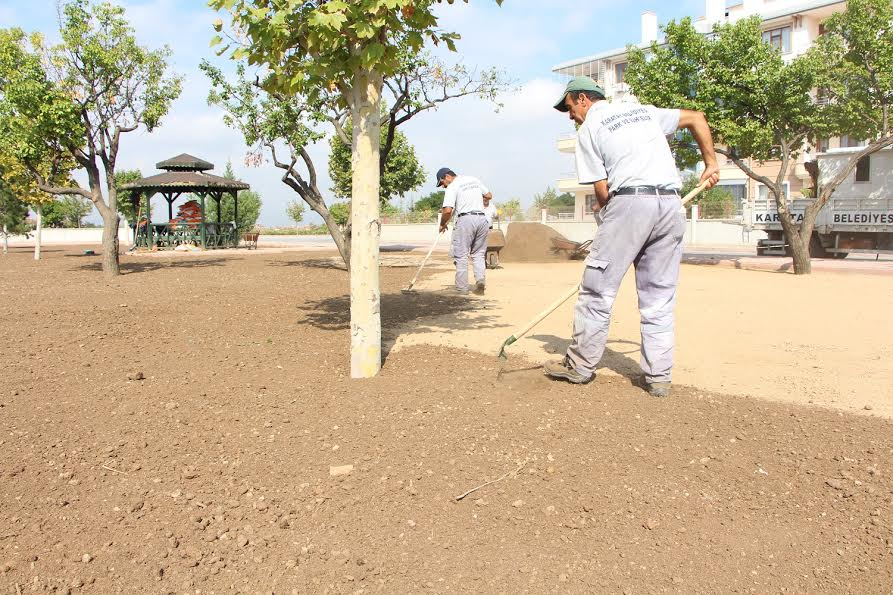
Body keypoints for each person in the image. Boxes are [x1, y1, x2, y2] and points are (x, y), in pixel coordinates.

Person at [542, 76, 719, 398]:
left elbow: (602, 190)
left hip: (630, 204)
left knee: (597, 292)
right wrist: (711, 162)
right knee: (658, 298)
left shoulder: (589, 130)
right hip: (669, 205)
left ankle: (580, 367)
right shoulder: (642, 111)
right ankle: (659, 379)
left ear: (582, 98)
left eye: (568, 108)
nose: (570, 116)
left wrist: (609, 213)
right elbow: (696, 117)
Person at [436, 167, 492, 295]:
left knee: (461, 255)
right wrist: (473, 200)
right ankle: (480, 280)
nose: (443, 186)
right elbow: (489, 195)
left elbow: (448, 210)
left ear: (447, 177)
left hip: (466, 220)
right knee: (478, 253)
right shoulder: (473, 179)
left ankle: (462, 289)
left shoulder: (452, 187)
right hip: (482, 219)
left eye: (442, 183)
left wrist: (443, 224)